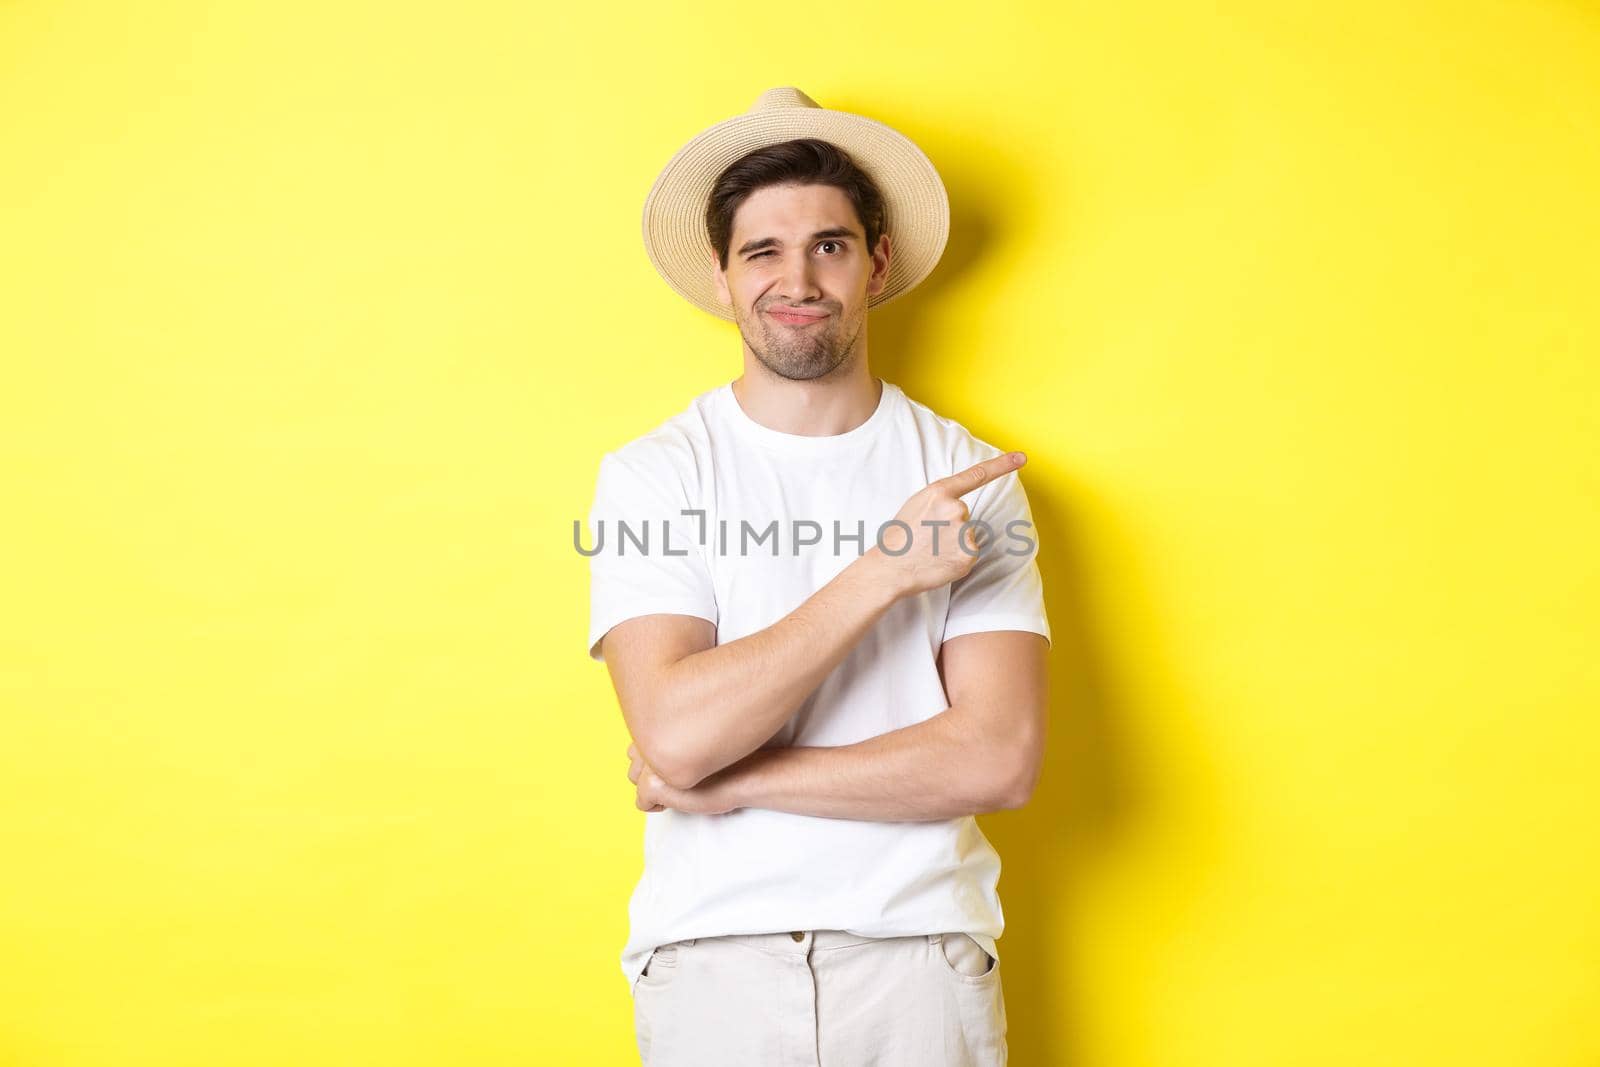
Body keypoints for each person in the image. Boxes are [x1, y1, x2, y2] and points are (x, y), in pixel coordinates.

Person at [584, 87, 1051, 1067]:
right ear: (721, 275)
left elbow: (997, 756)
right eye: (762, 250)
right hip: (711, 965)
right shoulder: (655, 472)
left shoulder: (969, 478)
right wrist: (882, 572)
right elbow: (672, 731)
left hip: (920, 957)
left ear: (876, 263)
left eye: (829, 245)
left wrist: (733, 780)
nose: (795, 277)